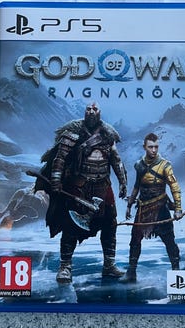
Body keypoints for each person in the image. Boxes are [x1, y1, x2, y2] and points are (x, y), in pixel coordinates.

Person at [34, 102, 127, 283]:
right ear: (85, 112)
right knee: (70, 225)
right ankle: (65, 267)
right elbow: (60, 159)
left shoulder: (108, 135)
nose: (91, 112)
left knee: (110, 223)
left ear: (99, 112)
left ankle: (109, 265)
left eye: (95, 109)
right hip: (79, 186)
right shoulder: (72, 133)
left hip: (103, 186)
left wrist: (123, 182)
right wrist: (56, 180)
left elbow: (116, 161)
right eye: (88, 109)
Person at [123, 133, 182, 282]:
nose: (154, 150)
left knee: (169, 240)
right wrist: (129, 205)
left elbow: (174, 187)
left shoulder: (165, 165)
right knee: (135, 240)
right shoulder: (139, 165)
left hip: (161, 208)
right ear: (144, 147)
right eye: (150, 147)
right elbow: (137, 186)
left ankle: (176, 272)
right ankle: (131, 273)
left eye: (156, 147)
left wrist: (178, 209)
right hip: (143, 208)